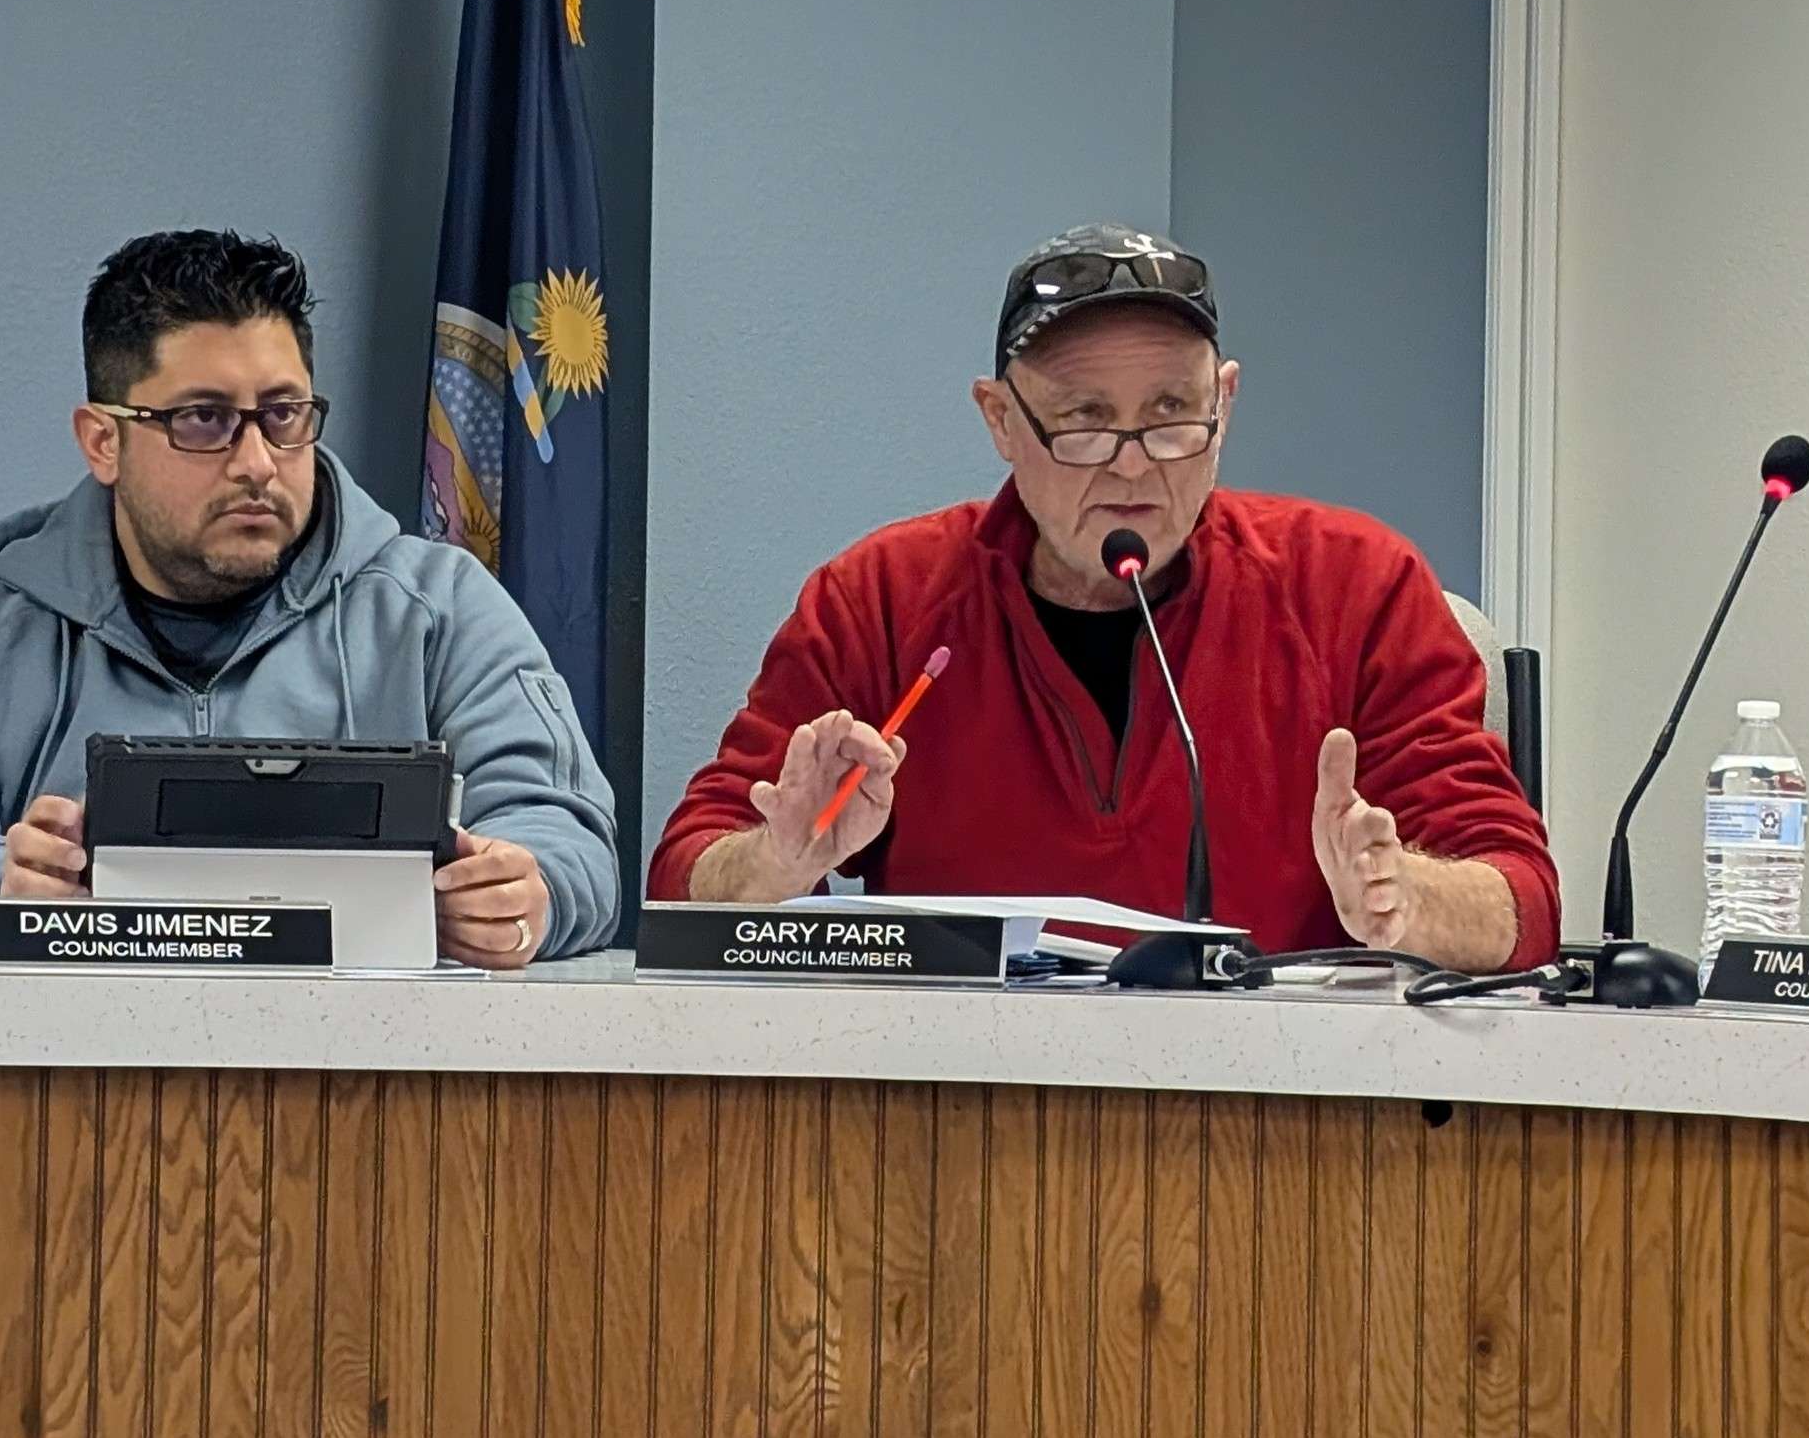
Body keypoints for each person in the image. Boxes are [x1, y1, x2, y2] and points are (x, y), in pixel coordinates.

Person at [652, 225, 1557, 973]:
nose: (1133, 466)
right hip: (957, 1116)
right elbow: (684, 875)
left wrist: (1407, 897)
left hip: (1290, 1128)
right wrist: (775, 866)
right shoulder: (883, 598)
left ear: (1226, 405)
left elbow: (1524, 901)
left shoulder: (1355, 585)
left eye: (1171, 416)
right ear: (1001, 420)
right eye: (1085, 421)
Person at [0, 229, 616, 966]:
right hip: (59, 1091)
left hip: (372, 1097)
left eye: (283, 414)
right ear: (104, 440)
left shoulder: (437, 607)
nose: (258, 462)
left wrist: (524, 894)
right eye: (204, 419)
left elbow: (569, 836)